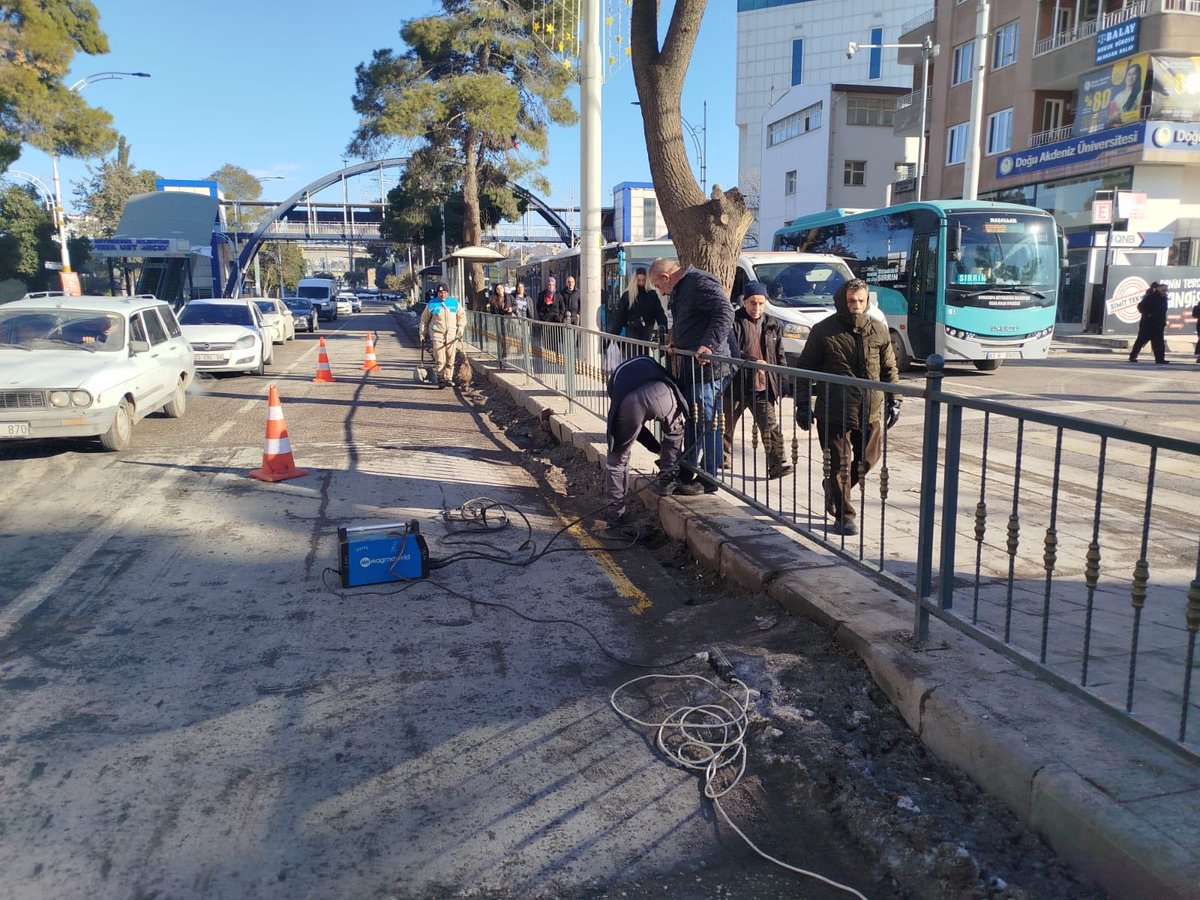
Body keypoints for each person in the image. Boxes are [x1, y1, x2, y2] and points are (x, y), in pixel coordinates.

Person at [794, 278, 901, 536]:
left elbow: (889, 367)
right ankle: (844, 516)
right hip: (834, 410)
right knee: (840, 464)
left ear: (867, 301)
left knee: (868, 460)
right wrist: (803, 404)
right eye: (851, 301)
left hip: (870, 408)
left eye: (861, 300)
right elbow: (804, 370)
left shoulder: (878, 329)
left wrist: (895, 398)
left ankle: (833, 489)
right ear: (842, 301)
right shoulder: (823, 331)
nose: (856, 305)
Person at [647, 257, 735, 488]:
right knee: (694, 419)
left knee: (707, 421)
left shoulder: (697, 282)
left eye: (659, 286)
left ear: (666, 277)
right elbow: (691, 321)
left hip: (708, 368)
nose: (661, 292)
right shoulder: (683, 289)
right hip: (693, 367)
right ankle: (688, 470)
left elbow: (725, 312)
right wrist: (676, 341)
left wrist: (708, 345)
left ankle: (708, 478)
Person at [603, 355, 701, 528]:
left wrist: (654, 448)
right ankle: (667, 479)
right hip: (661, 393)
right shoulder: (651, 364)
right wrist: (659, 449)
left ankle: (614, 513)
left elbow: (636, 429)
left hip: (629, 404)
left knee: (618, 459)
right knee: (675, 432)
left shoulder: (616, 383)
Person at [722, 282, 792, 479]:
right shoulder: (733, 322)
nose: (757, 308)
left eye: (761, 303)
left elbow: (779, 355)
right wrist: (753, 361)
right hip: (736, 384)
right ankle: (721, 457)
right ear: (744, 302)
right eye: (753, 303)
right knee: (726, 425)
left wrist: (783, 383)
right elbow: (731, 351)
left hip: (762, 386)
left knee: (770, 426)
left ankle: (777, 464)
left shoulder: (772, 324)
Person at [418, 283, 467, 388]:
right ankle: (440, 378)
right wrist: (422, 333)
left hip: (452, 335)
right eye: (440, 292)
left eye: (444, 292)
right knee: (440, 358)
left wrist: (460, 328)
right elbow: (424, 320)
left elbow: (462, 316)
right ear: (437, 293)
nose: (442, 295)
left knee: (450, 358)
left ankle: (448, 378)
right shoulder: (432, 304)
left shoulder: (454, 303)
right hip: (437, 334)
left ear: (448, 293)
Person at [609, 266, 669, 348]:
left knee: (644, 352)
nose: (641, 283)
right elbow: (620, 316)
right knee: (634, 352)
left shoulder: (652, 295)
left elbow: (659, 313)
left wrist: (663, 328)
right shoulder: (628, 295)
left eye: (643, 280)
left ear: (646, 280)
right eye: (639, 280)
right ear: (635, 280)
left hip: (646, 329)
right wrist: (613, 335)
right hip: (632, 329)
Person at [1128, 281, 1169, 364]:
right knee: (1141, 340)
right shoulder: (1150, 297)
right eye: (1163, 290)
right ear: (1158, 289)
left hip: (1159, 324)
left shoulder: (1164, 299)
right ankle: (1133, 356)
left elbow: (1163, 312)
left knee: (1159, 343)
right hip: (1147, 324)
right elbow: (1140, 307)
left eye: (1166, 290)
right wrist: (1148, 315)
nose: (1164, 292)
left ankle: (1160, 359)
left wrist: (1164, 322)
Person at [1107, 62, 1144, 128]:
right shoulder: (1117, 97)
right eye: (1129, 74)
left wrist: (1121, 125)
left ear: (1138, 76)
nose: (1130, 77)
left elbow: (1138, 117)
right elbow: (1111, 119)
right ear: (1125, 76)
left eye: (1134, 74)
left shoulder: (1139, 93)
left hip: (1134, 127)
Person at [488, 283, 514, 360]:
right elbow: (492, 310)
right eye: (498, 289)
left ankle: (506, 350)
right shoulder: (493, 298)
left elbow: (515, 305)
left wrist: (511, 309)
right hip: (499, 319)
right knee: (501, 336)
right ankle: (503, 350)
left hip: (507, 319)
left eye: (501, 288)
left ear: (504, 289)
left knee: (506, 335)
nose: (499, 290)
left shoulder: (509, 297)